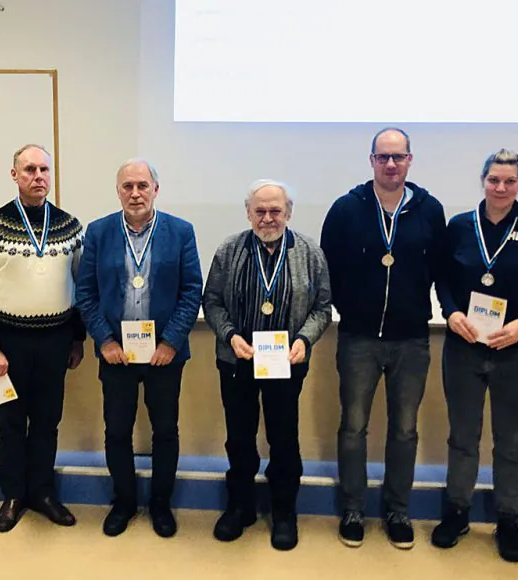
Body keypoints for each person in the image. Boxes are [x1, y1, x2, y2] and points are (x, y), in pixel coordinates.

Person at [319, 127, 446, 549]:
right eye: (382, 157)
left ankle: (397, 511)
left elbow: (439, 268)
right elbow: (328, 268)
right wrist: (351, 307)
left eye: (398, 156)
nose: (391, 164)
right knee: (353, 427)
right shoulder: (346, 209)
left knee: (405, 430)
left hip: (411, 339)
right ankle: (353, 508)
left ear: (410, 159)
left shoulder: (430, 210)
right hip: (359, 337)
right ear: (371, 160)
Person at [430, 149, 518, 562]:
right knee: (462, 437)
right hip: (464, 348)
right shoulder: (460, 226)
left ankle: (508, 519)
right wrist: (452, 313)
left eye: (510, 181)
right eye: (494, 180)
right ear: (483, 181)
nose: (501, 188)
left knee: (511, 441)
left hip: (517, 351)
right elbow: (442, 279)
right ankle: (457, 511)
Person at [75, 159, 203, 538]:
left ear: (155, 190)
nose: (135, 193)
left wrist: (171, 342)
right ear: (118, 191)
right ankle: (125, 502)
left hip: (165, 355)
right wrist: (105, 340)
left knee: (165, 431)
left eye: (142, 186)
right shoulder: (98, 232)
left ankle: (160, 504)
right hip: (116, 354)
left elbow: (191, 291)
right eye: (127, 186)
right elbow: (86, 293)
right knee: (117, 431)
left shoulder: (180, 231)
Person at [203, 179, 331, 551]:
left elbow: (323, 308)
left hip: (286, 363)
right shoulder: (229, 249)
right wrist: (230, 335)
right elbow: (212, 302)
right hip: (237, 359)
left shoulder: (309, 252)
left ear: (288, 213)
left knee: (284, 438)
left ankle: (284, 512)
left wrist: (304, 339)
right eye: (260, 211)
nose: (268, 218)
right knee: (239, 437)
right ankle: (239, 507)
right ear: (248, 213)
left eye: (276, 210)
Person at [0, 144, 86, 532]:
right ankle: (14, 495)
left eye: (44, 170)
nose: (38, 176)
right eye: (30, 169)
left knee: (48, 422)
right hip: (9, 345)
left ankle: (43, 493)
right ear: (14, 174)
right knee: (11, 423)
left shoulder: (69, 225)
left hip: (56, 341)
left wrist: (77, 339)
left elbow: (81, 284)